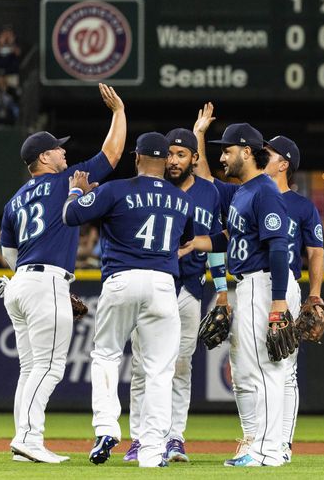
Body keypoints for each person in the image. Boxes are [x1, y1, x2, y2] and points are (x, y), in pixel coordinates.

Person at [0, 83, 125, 464]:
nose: (65, 151)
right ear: (44, 157)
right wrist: (119, 112)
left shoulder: (14, 200)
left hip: (18, 283)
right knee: (50, 367)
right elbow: (113, 153)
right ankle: (27, 438)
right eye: (58, 147)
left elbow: (8, 253)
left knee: (30, 368)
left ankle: (26, 440)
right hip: (45, 281)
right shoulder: (63, 182)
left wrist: (30, 274)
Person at [193, 108, 323, 464]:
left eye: (228, 149)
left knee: (269, 368)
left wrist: (279, 301)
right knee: (250, 369)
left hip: (266, 284)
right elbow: (205, 184)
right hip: (251, 285)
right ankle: (259, 445)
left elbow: (280, 246)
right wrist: (197, 244)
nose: (223, 156)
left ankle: (271, 449)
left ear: (246, 152)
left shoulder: (265, 192)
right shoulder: (245, 192)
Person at [63, 132, 194, 469]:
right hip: (164, 284)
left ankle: (107, 427)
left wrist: (78, 190)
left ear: (136, 158)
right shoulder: (182, 200)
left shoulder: (116, 189)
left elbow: (71, 215)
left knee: (106, 354)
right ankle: (152, 451)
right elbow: (186, 239)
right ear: (166, 161)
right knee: (159, 371)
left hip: (121, 279)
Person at [123, 127, 227, 464]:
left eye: (182, 154)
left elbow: (217, 242)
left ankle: (174, 438)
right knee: (142, 365)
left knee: (181, 366)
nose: (174, 159)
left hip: (191, 288)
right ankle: (139, 438)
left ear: (195, 159)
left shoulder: (209, 193)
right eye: (169, 153)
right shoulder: (149, 189)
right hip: (153, 283)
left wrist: (222, 289)